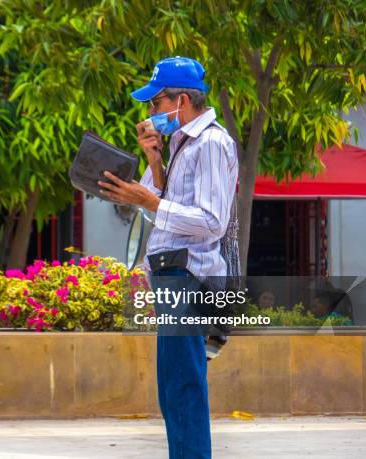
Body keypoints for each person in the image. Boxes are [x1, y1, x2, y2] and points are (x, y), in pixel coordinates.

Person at [98, 56, 239, 459]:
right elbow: (155, 205)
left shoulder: (211, 143)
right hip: (171, 275)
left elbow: (211, 221)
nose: (150, 114)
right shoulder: (180, 143)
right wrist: (153, 162)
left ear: (181, 99)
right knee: (174, 388)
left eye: (155, 104)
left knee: (182, 387)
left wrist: (151, 200)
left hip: (188, 276)